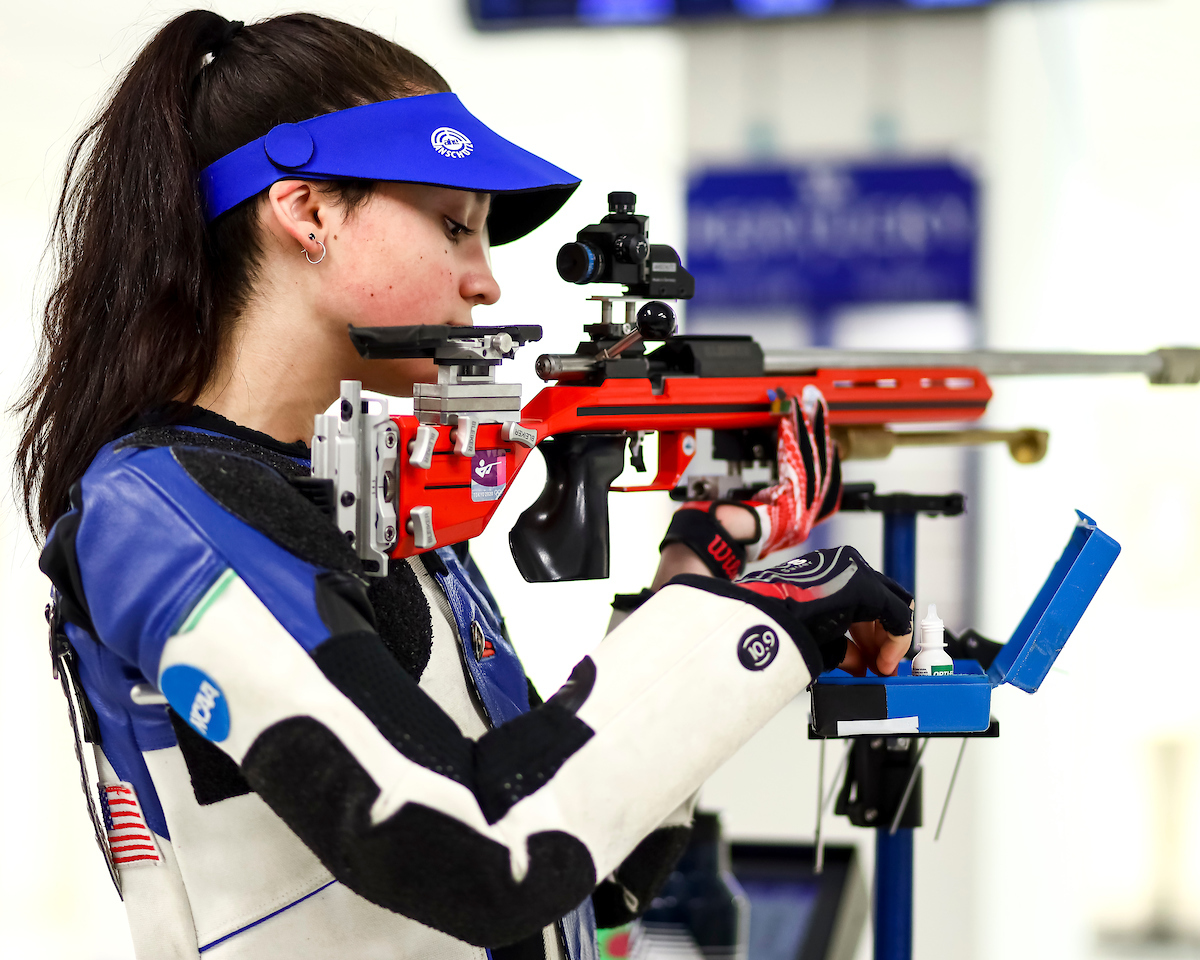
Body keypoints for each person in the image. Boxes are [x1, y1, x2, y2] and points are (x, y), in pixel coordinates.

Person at [16, 12, 913, 960]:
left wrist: (701, 560)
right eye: (455, 227)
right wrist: (777, 609)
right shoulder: (158, 515)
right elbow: (481, 856)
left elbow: (582, 882)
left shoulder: (374, 507)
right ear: (308, 212)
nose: (485, 284)